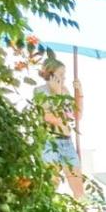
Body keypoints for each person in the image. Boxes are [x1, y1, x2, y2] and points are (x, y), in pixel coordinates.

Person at [36, 54, 85, 198]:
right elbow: (51, 118)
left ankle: (81, 209)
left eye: (65, 74)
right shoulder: (40, 91)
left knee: (79, 190)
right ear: (50, 75)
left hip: (67, 142)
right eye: (61, 74)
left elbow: (77, 116)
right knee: (51, 186)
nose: (64, 78)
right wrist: (56, 93)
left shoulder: (65, 91)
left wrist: (79, 93)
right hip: (50, 142)